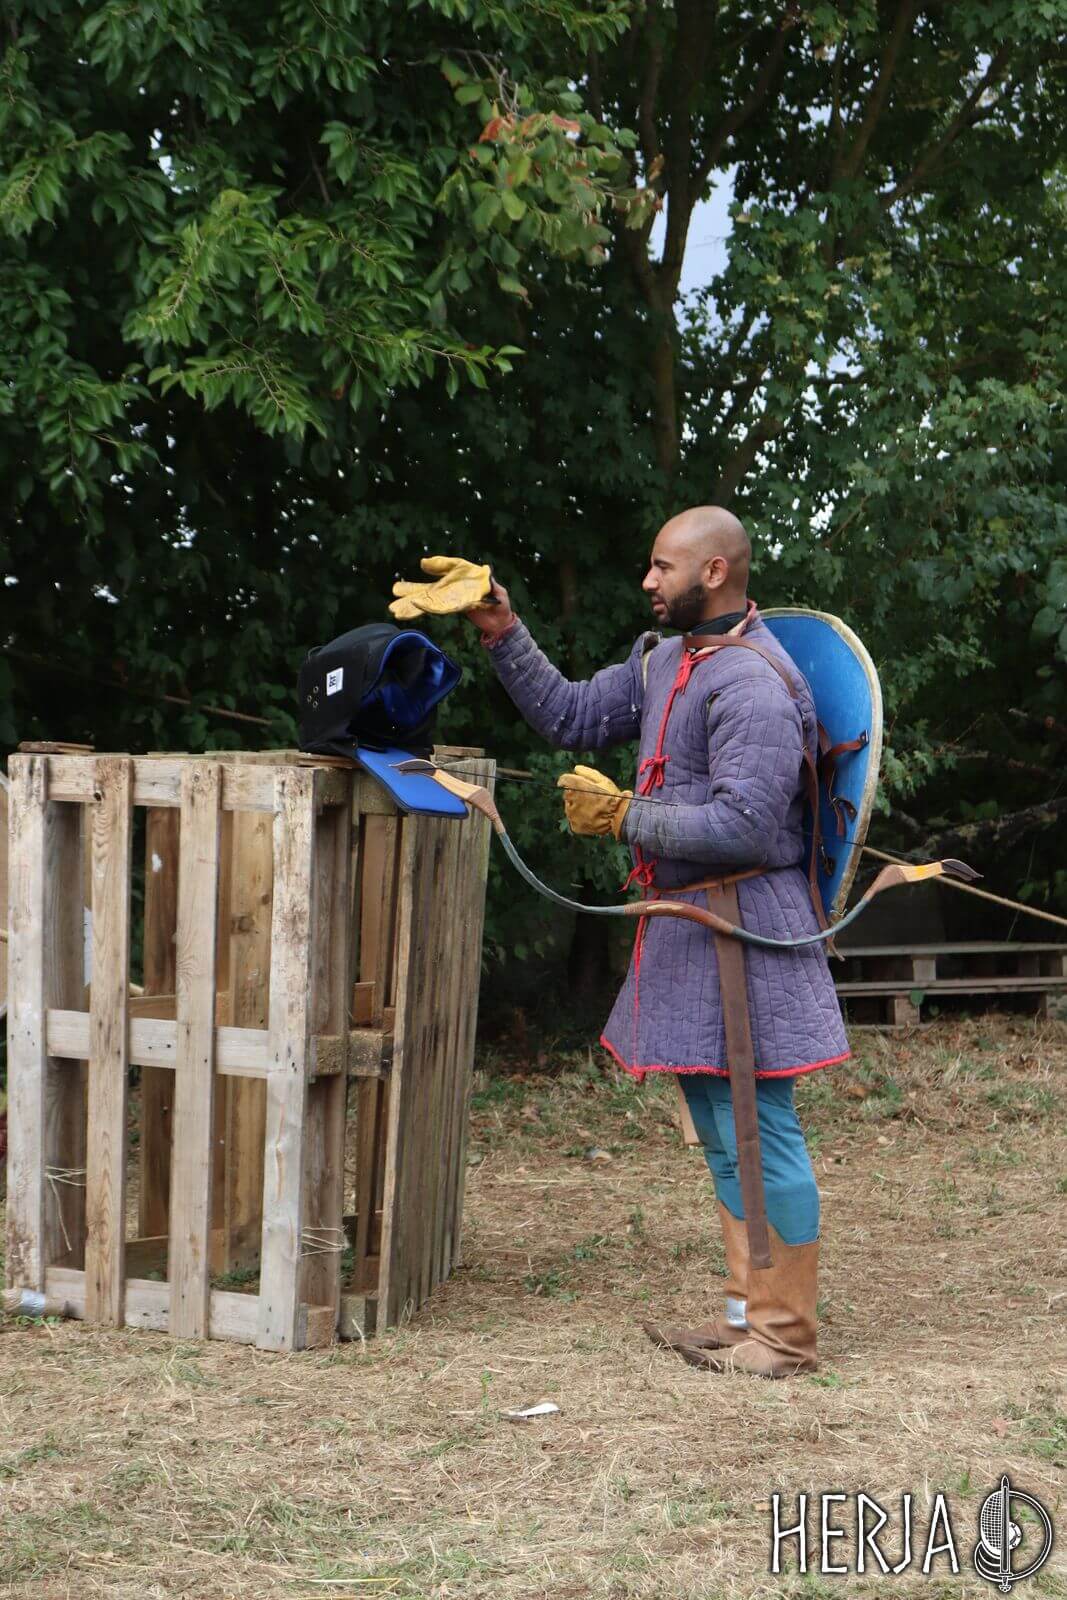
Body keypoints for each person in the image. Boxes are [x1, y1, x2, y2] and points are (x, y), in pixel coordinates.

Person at [451, 508, 850, 1377]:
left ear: (714, 571)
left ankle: (785, 1337)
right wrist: (502, 628)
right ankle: (746, 1314)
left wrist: (626, 815)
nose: (647, 581)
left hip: (744, 924)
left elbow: (744, 827)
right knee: (718, 1126)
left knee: (758, 1128)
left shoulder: (753, 685)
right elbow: (568, 715)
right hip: (687, 923)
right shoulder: (664, 660)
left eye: (663, 567)